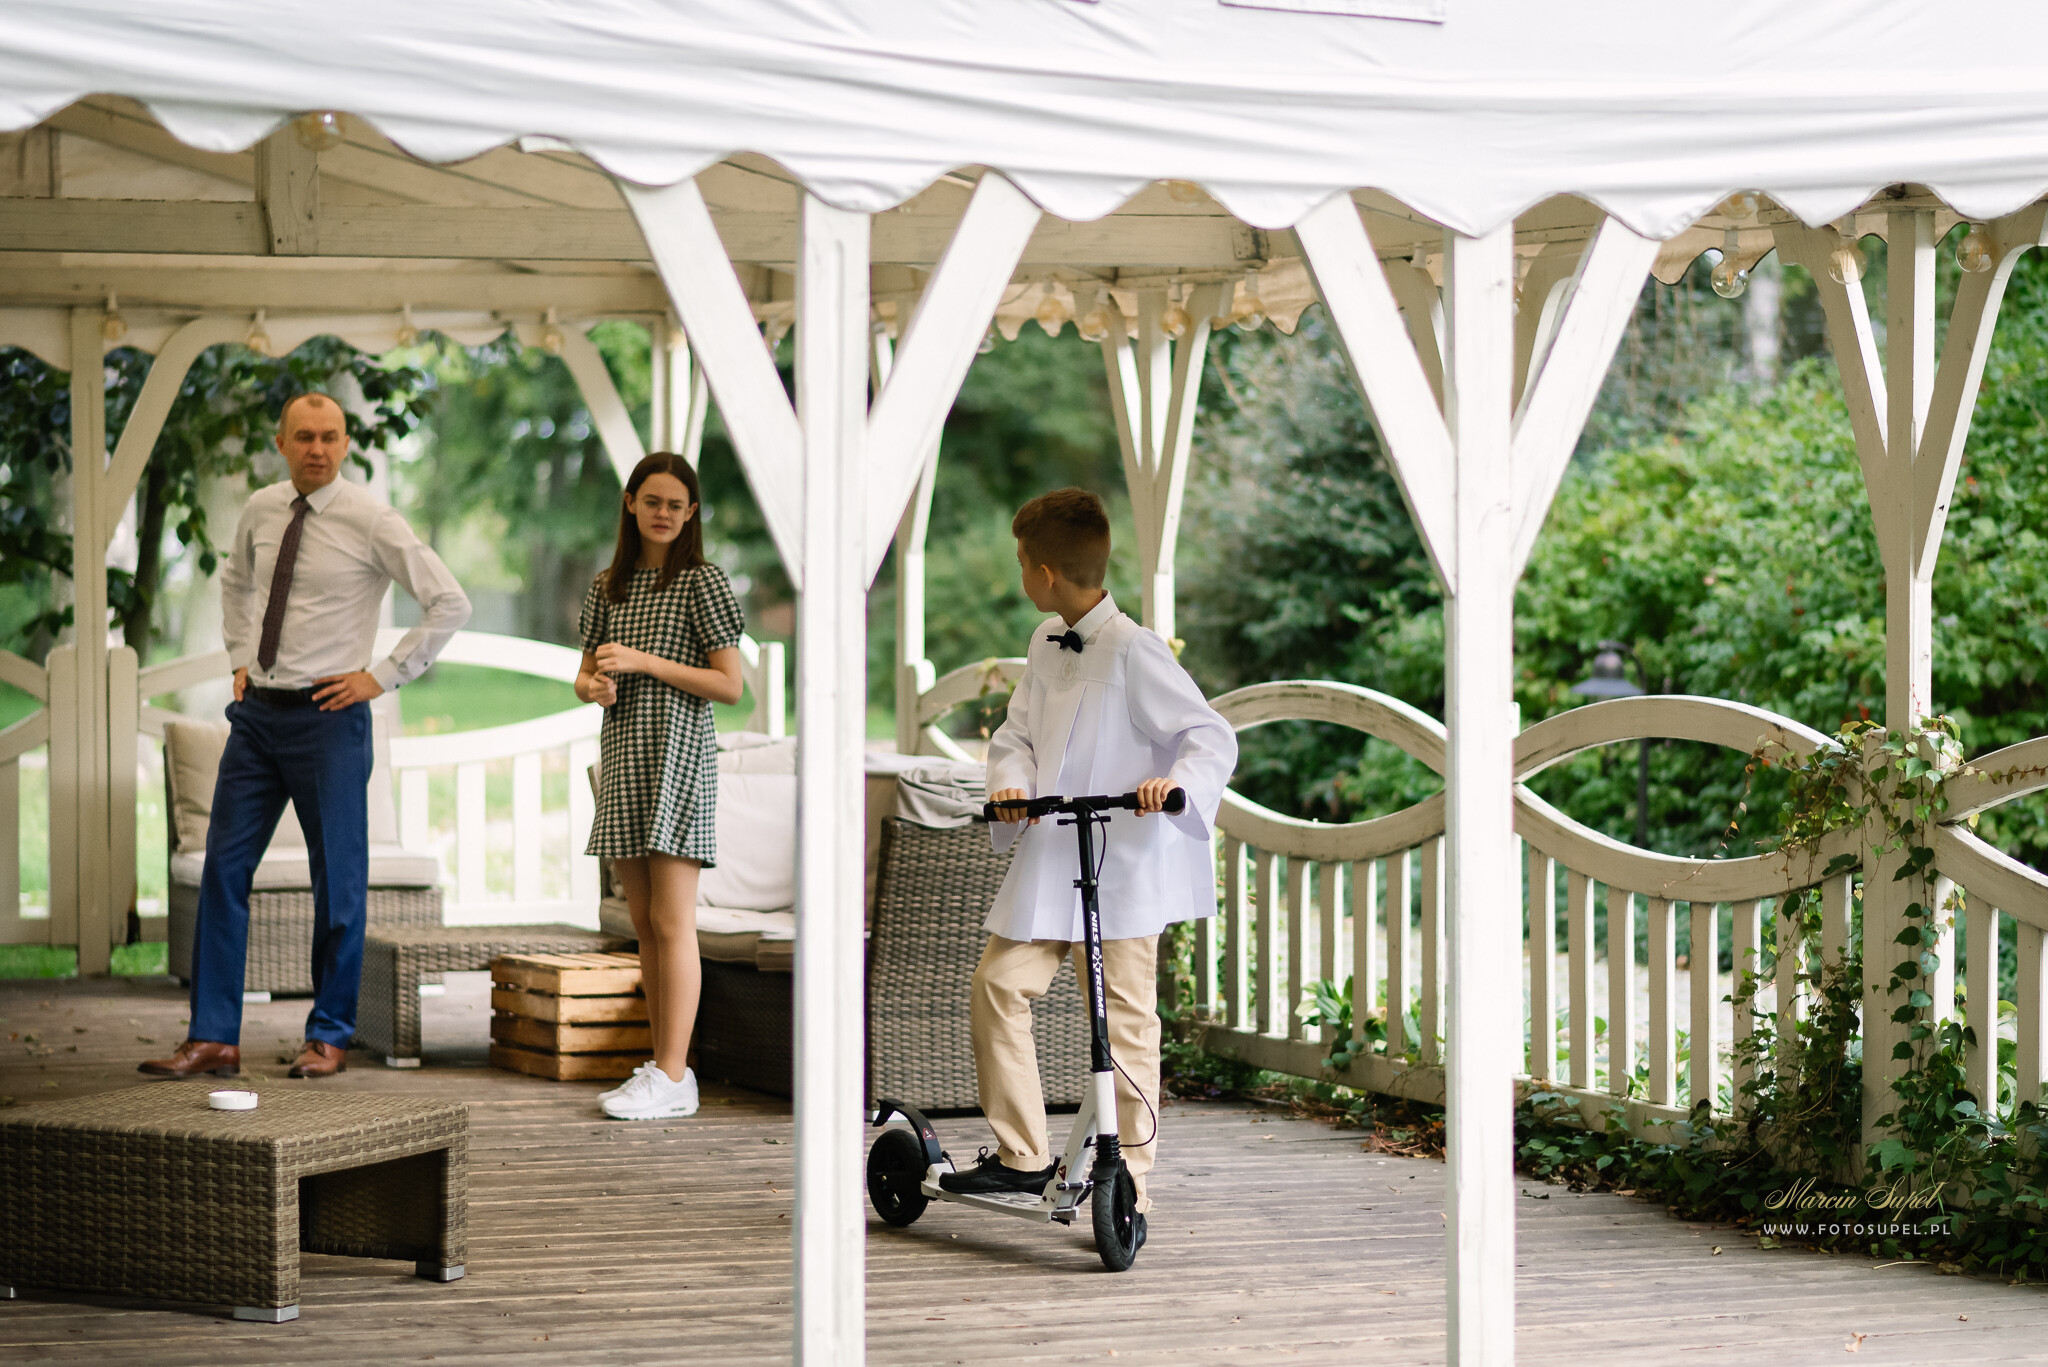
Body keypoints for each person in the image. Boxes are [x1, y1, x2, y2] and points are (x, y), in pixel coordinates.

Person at [939, 487, 1238, 1246]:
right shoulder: (1047, 641)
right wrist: (1011, 782)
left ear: (1044, 571)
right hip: (1052, 855)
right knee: (998, 986)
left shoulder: (1135, 650)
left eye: (1021, 562)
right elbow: (1015, 735)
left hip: (1121, 864)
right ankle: (1022, 1153)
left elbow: (1209, 735)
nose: (1020, 575)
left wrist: (1173, 785)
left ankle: (1129, 1177)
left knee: (1125, 1023)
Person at [142, 393, 470, 1081]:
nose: (317, 448)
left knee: (338, 885)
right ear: (282, 443)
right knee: (223, 871)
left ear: (346, 444)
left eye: (329, 436)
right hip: (256, 718)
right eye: (304, 436)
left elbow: (449, 602)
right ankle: (213, 1037)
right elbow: (236, 583)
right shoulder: (261, 509)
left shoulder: (372, 519)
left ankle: (329, 1034)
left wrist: (381, 677)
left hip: (329, 720)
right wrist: (240, 655)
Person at [576, 452, 744, 1121]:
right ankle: (662, 1070)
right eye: (653, 501)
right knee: (644, 923)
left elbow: (730, 685)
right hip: (625, 757)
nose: (664, 513)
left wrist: (645, 661)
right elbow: (583, 675)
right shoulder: (607, 585)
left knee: (673, 922)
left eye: (676, 504)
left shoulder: (703, 582)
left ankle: (675, 1074)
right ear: (630, 503)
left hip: (679, 759)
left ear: (692, 511)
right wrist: (594, 685)